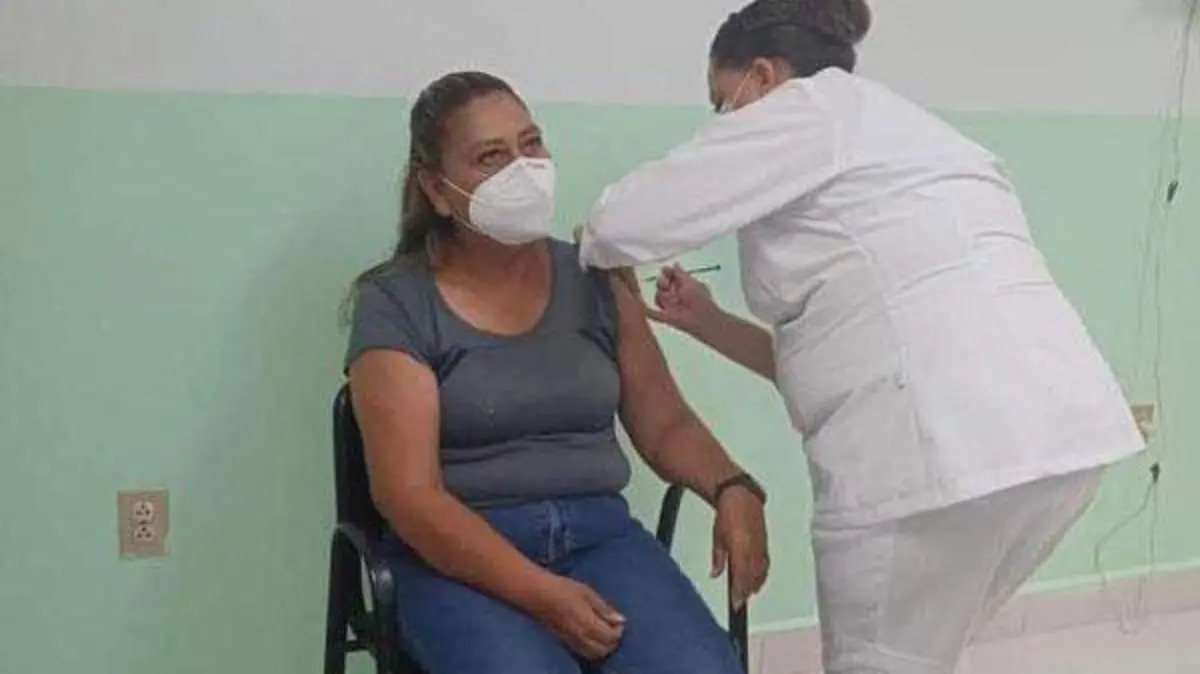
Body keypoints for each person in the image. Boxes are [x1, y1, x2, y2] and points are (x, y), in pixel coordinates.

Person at [576, 1, 1146, 672]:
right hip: (1059, 444)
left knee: (876, 659)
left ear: (763, 75)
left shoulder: (806, 109)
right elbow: (839, 352)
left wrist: (589, 243)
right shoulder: (914, 133)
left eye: (721, 102)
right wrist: (707, 320)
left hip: (936, 453)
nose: (721, 122)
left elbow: (621, 223)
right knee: (918, 657)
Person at [344, 70, 768, 674]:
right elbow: (409, 498)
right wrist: (540, 594)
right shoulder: (398, 303)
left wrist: (732, 487)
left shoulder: (593, 276)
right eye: (491, 156)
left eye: (531, 143)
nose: (522, 169)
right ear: (436, 189)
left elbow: (665, 423)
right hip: (457, 557)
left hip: (600, 540)